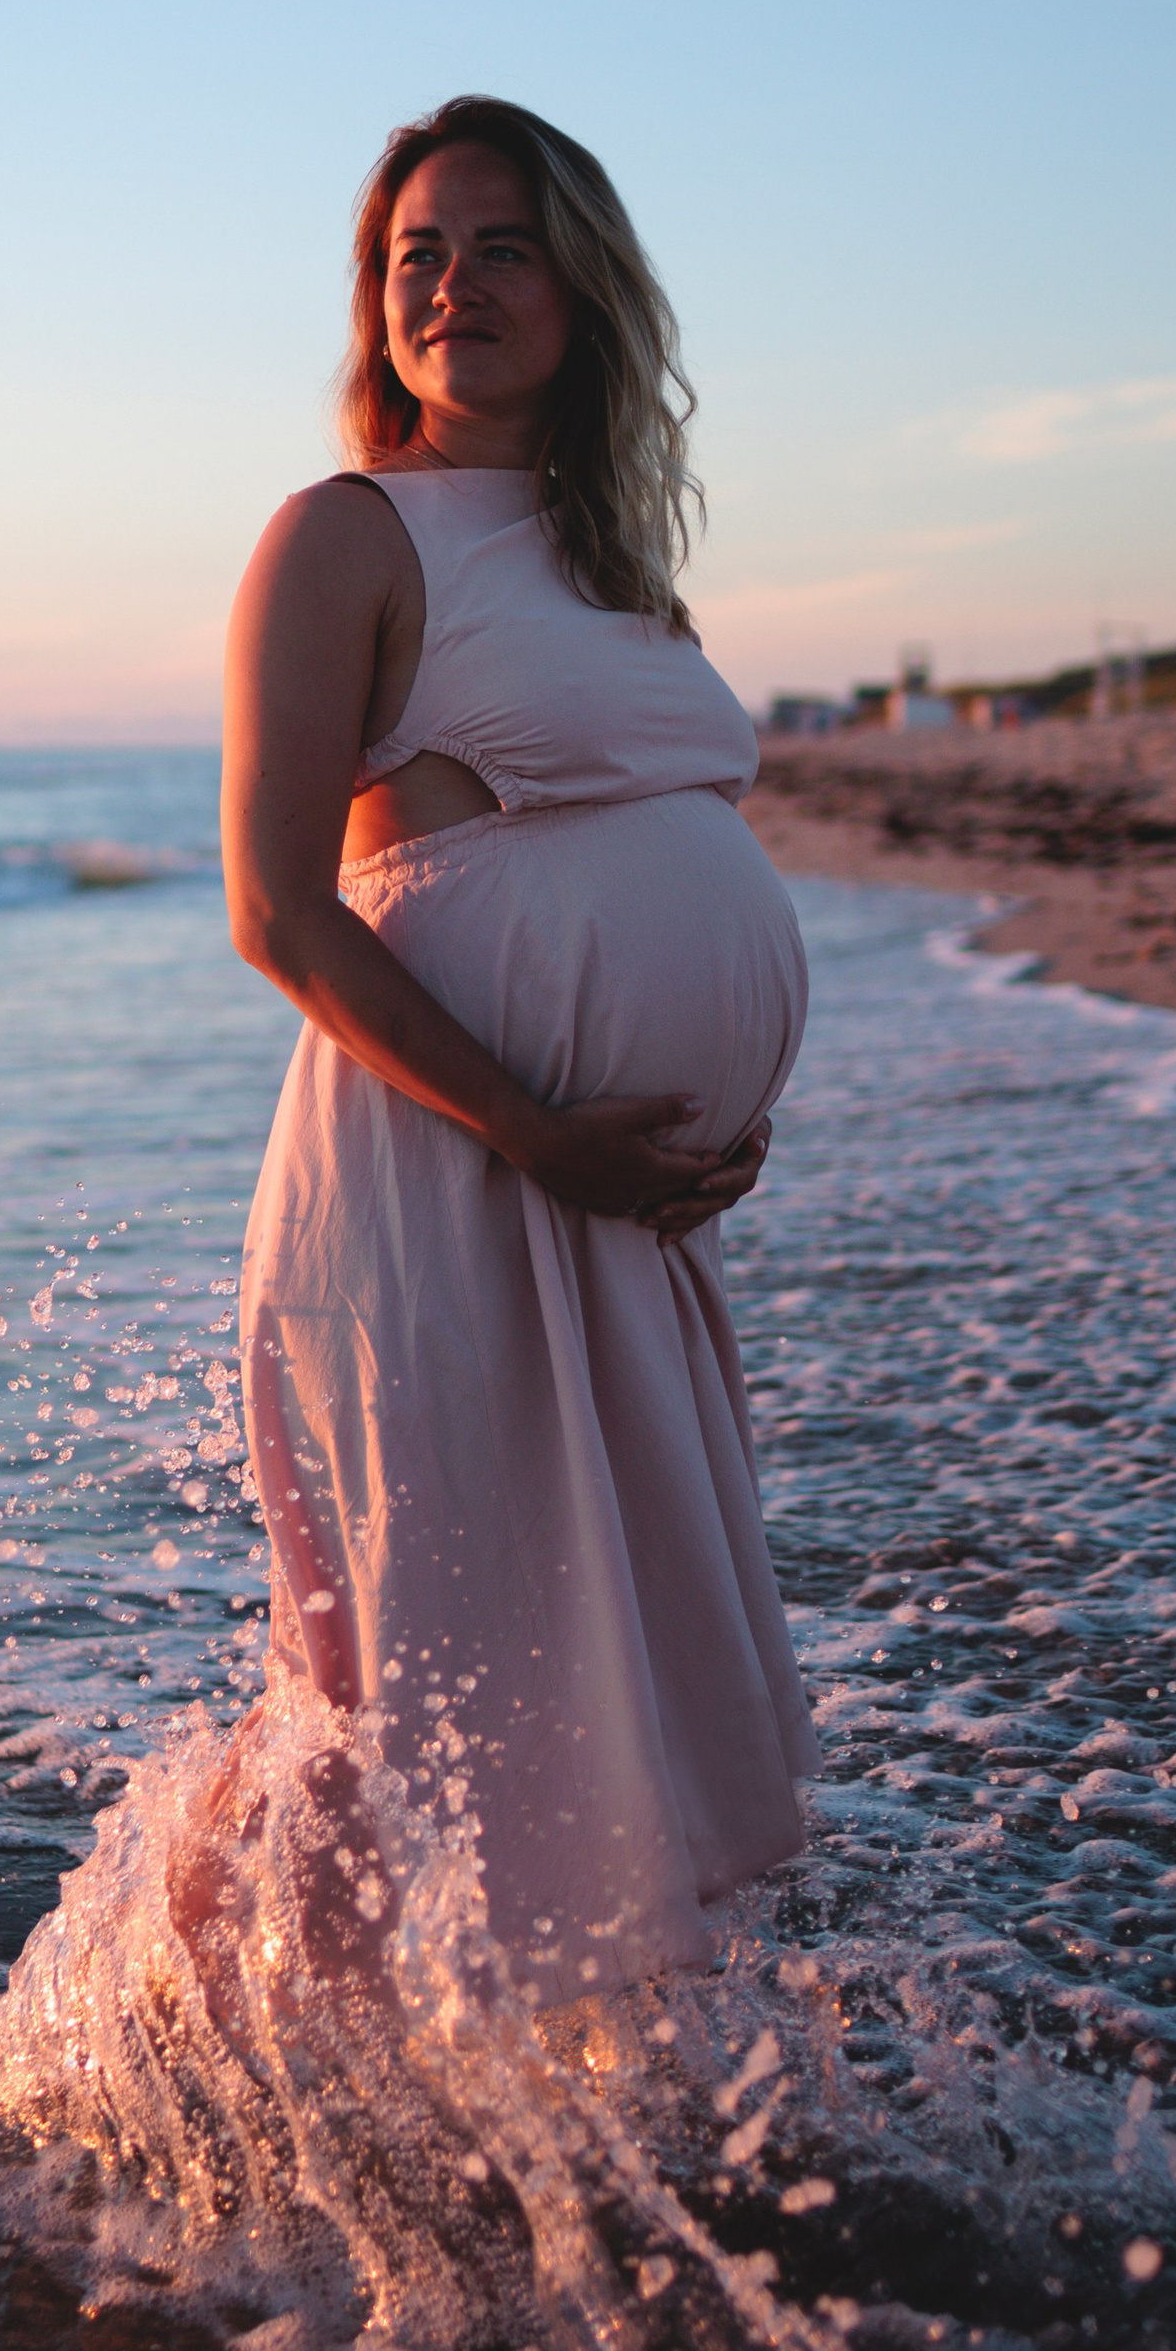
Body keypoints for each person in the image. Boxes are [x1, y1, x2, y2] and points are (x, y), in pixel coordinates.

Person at [221, 96, 816, 1996]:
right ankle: (229, 2067)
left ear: (585, 288)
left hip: (615, 1210)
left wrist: (703, 1106)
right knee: (432, 1693)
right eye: (415, 253)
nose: (451, 283)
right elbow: (279, 913)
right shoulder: (347, 538)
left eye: (499, 245)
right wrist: (541, 1126)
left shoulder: (619, 566)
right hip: (447, 1187)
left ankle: (580, 2112)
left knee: (599, 1679)